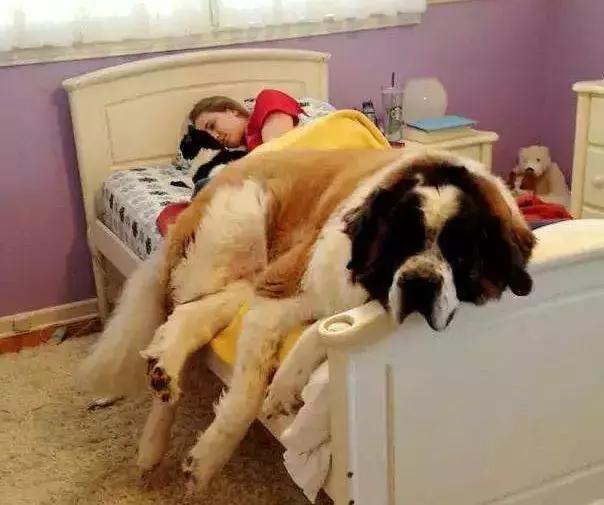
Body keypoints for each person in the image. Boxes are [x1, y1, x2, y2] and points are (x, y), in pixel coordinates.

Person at [157, 89, 304, 236]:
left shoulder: (267, 99)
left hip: (301, 173)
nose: (214, 136)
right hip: (273, 190)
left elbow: (278, 153)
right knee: (174, 213)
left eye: (212, 125)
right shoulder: (242, 151)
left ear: (231, 111)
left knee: (207, 190)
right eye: (208, 136)